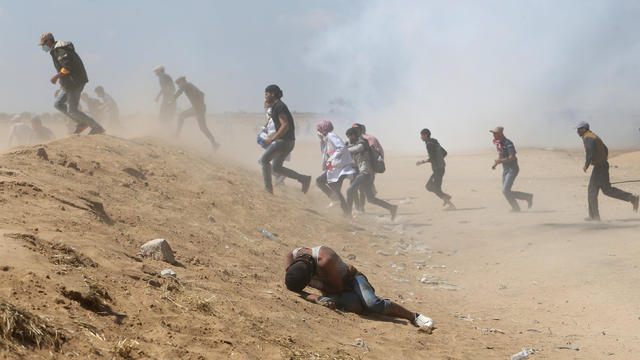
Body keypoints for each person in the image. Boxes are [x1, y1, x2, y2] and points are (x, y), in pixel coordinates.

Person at [284, 246, 434, 332]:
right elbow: (295, 288)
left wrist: (319, 289)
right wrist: (315, 297)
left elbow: (337, 288)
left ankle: (413, 316)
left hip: (351, 279)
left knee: (372, 303)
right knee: (355, 306)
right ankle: (375, 306)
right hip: (334, 288)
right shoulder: (292, 259)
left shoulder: (324, 260)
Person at [38, 32, 104, 135]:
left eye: (43, 44)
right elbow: (64, 68)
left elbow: (67, 67)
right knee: (58, 104)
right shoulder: (55, 50)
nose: (43, 47)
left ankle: (97, 127)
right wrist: (62, 80)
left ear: (49, 41)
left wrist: (56, 77)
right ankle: (82, 123)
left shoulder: (60, 49)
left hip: (75, 81)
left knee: (72, 109)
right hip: (68, 82)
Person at [576, 121, 639, 221]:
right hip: (602, 166)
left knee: (592, 191)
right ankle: (632, 198)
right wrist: (603, 160)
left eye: (579, 129)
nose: (577, 131)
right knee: (606, 190)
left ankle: (595, 218)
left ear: (584, 129)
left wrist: (586, 165)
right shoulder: (592, 136)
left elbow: (590, 152)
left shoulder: (588, 137)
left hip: (599, 167)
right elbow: (605, 149)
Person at [259, 84, 312, 194]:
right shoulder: (276, 106)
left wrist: (273, 138)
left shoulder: (279, 106)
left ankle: (268, 190)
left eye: (267, 94)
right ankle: (304, 179)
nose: (265, 96)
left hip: (283, 141)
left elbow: (285, 125)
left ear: (272, 94)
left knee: (263, 161)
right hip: (288, 142)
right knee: (276, 168)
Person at [345, 127, 398, 219]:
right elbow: (355, 162)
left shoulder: (362, 143)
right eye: (348, 136)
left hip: (365, 173)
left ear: (356, 135)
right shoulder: (353, 146)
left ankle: (348, 215)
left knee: (350, 190)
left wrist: (343, 150)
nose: (350, 138)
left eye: (351, 136)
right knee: (370, 198)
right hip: (368, 175)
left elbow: (358, 148)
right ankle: (392, 208)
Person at [315, 120, 355, 213]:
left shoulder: (331, 136)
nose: (318, 130)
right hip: (333, 167)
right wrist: (322, 140)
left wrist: (332, 158)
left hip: (339, 167)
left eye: (319, 128)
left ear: (324, 128)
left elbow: (341, 147)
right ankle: (347, 213)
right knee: (335, 189)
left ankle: (335, 199)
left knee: (319, 181)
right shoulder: (326, 138)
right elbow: (325, 153)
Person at [490, 126, 533, 212]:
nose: (493, 135)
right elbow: (501, 155)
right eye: (493, 133)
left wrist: (500, 161)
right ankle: (520, 203)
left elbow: (512, 157)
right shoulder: (498, 143)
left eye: (495, 133)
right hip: (506, 170)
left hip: (512, 169)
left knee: (505, 191)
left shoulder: (508, 143)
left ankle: (525, 199)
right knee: (506, 192)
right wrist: (495, 163)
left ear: (500, 133)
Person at [170, 76, 219, 151]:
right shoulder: (190, 85)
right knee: (201, 127)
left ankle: (177, 135)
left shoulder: (186, 85)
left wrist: (172, 99)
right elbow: (202, 94)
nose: (178, 85)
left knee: (201, 126)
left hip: (198, 109)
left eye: (178, 84)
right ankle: (214, 143)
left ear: (182, 81)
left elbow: (179, 92)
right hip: (197, 108)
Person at [416, 128, 455, 209]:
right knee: (436, 188)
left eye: (421, 135)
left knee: (429, 187)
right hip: (441, 168)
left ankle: (447, 199)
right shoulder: (434, 142)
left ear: (425, 135)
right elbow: (444, 153)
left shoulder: (429, 144)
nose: (420, 137)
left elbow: (432, 158)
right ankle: (448, 201)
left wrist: (422, 162)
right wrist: (439, 159)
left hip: (437, 170)